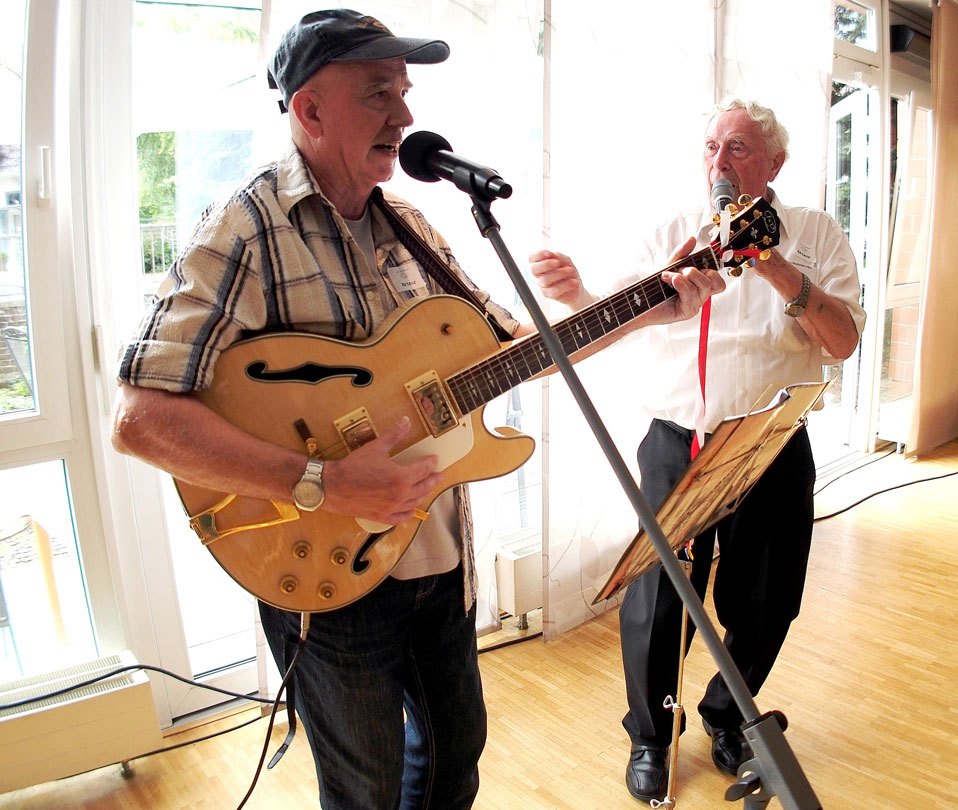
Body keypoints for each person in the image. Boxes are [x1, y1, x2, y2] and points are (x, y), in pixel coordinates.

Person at [111, 9, 722, 809]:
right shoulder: (247, 228)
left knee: (452, 756)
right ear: (310, 111)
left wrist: (650, 309)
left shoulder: (414, 227)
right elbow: (139, 419)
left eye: (404, 92)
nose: (405, 117)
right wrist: (321, 482)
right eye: (378, 94)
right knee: (362, 787)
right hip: (328, 578)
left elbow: (518, 349)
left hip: (438, 559)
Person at [531, 99, 866, 802]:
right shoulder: (673, 233)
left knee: (768, 598)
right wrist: (583, 295)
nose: (720, 162)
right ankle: (650, 736)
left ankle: (724, 715)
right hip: (677, 438)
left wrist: (771, 264)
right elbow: (623, 319)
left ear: (774, 162)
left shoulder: (815, 234)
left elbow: (842, 341)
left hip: (769, 441)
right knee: (655, 599)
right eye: (712, 147)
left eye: (738, 148)